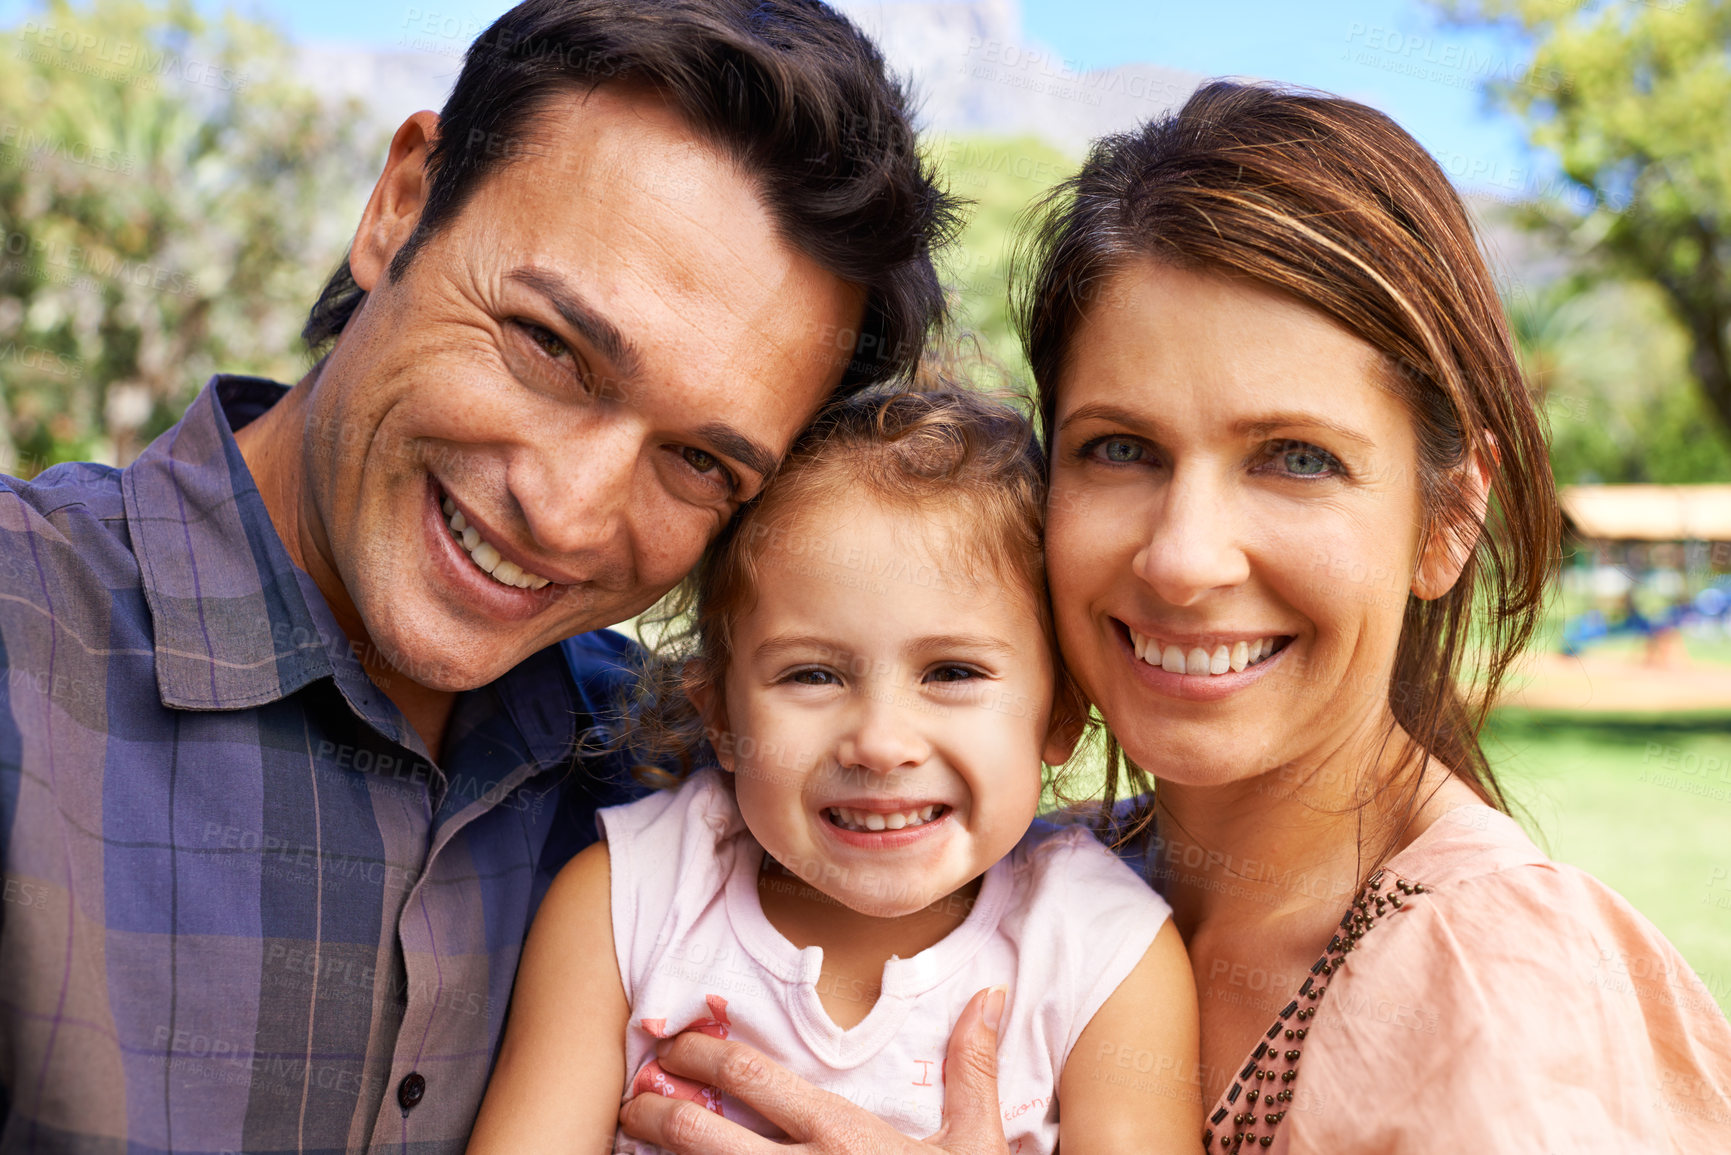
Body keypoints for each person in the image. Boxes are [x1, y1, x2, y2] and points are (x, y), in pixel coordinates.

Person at [616, 82, 1731, 1154]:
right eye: (1121, 449)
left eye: (1297, 459)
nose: (1185, 559)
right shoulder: (1012, 876)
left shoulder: (1498, 989)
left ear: (1444, 521)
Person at [0, 1, 959, 1149]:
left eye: (699, 461)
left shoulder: (699, 790)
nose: (567, 512)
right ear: (402, 203)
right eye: (550, 346)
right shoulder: (24, 642)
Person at [465, 388, 1200, 1154]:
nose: (880, 744)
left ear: (1057, 715)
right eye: (811, 675)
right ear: (719, 715)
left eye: (951, 672)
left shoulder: (1103, 952)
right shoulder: (627, 901)